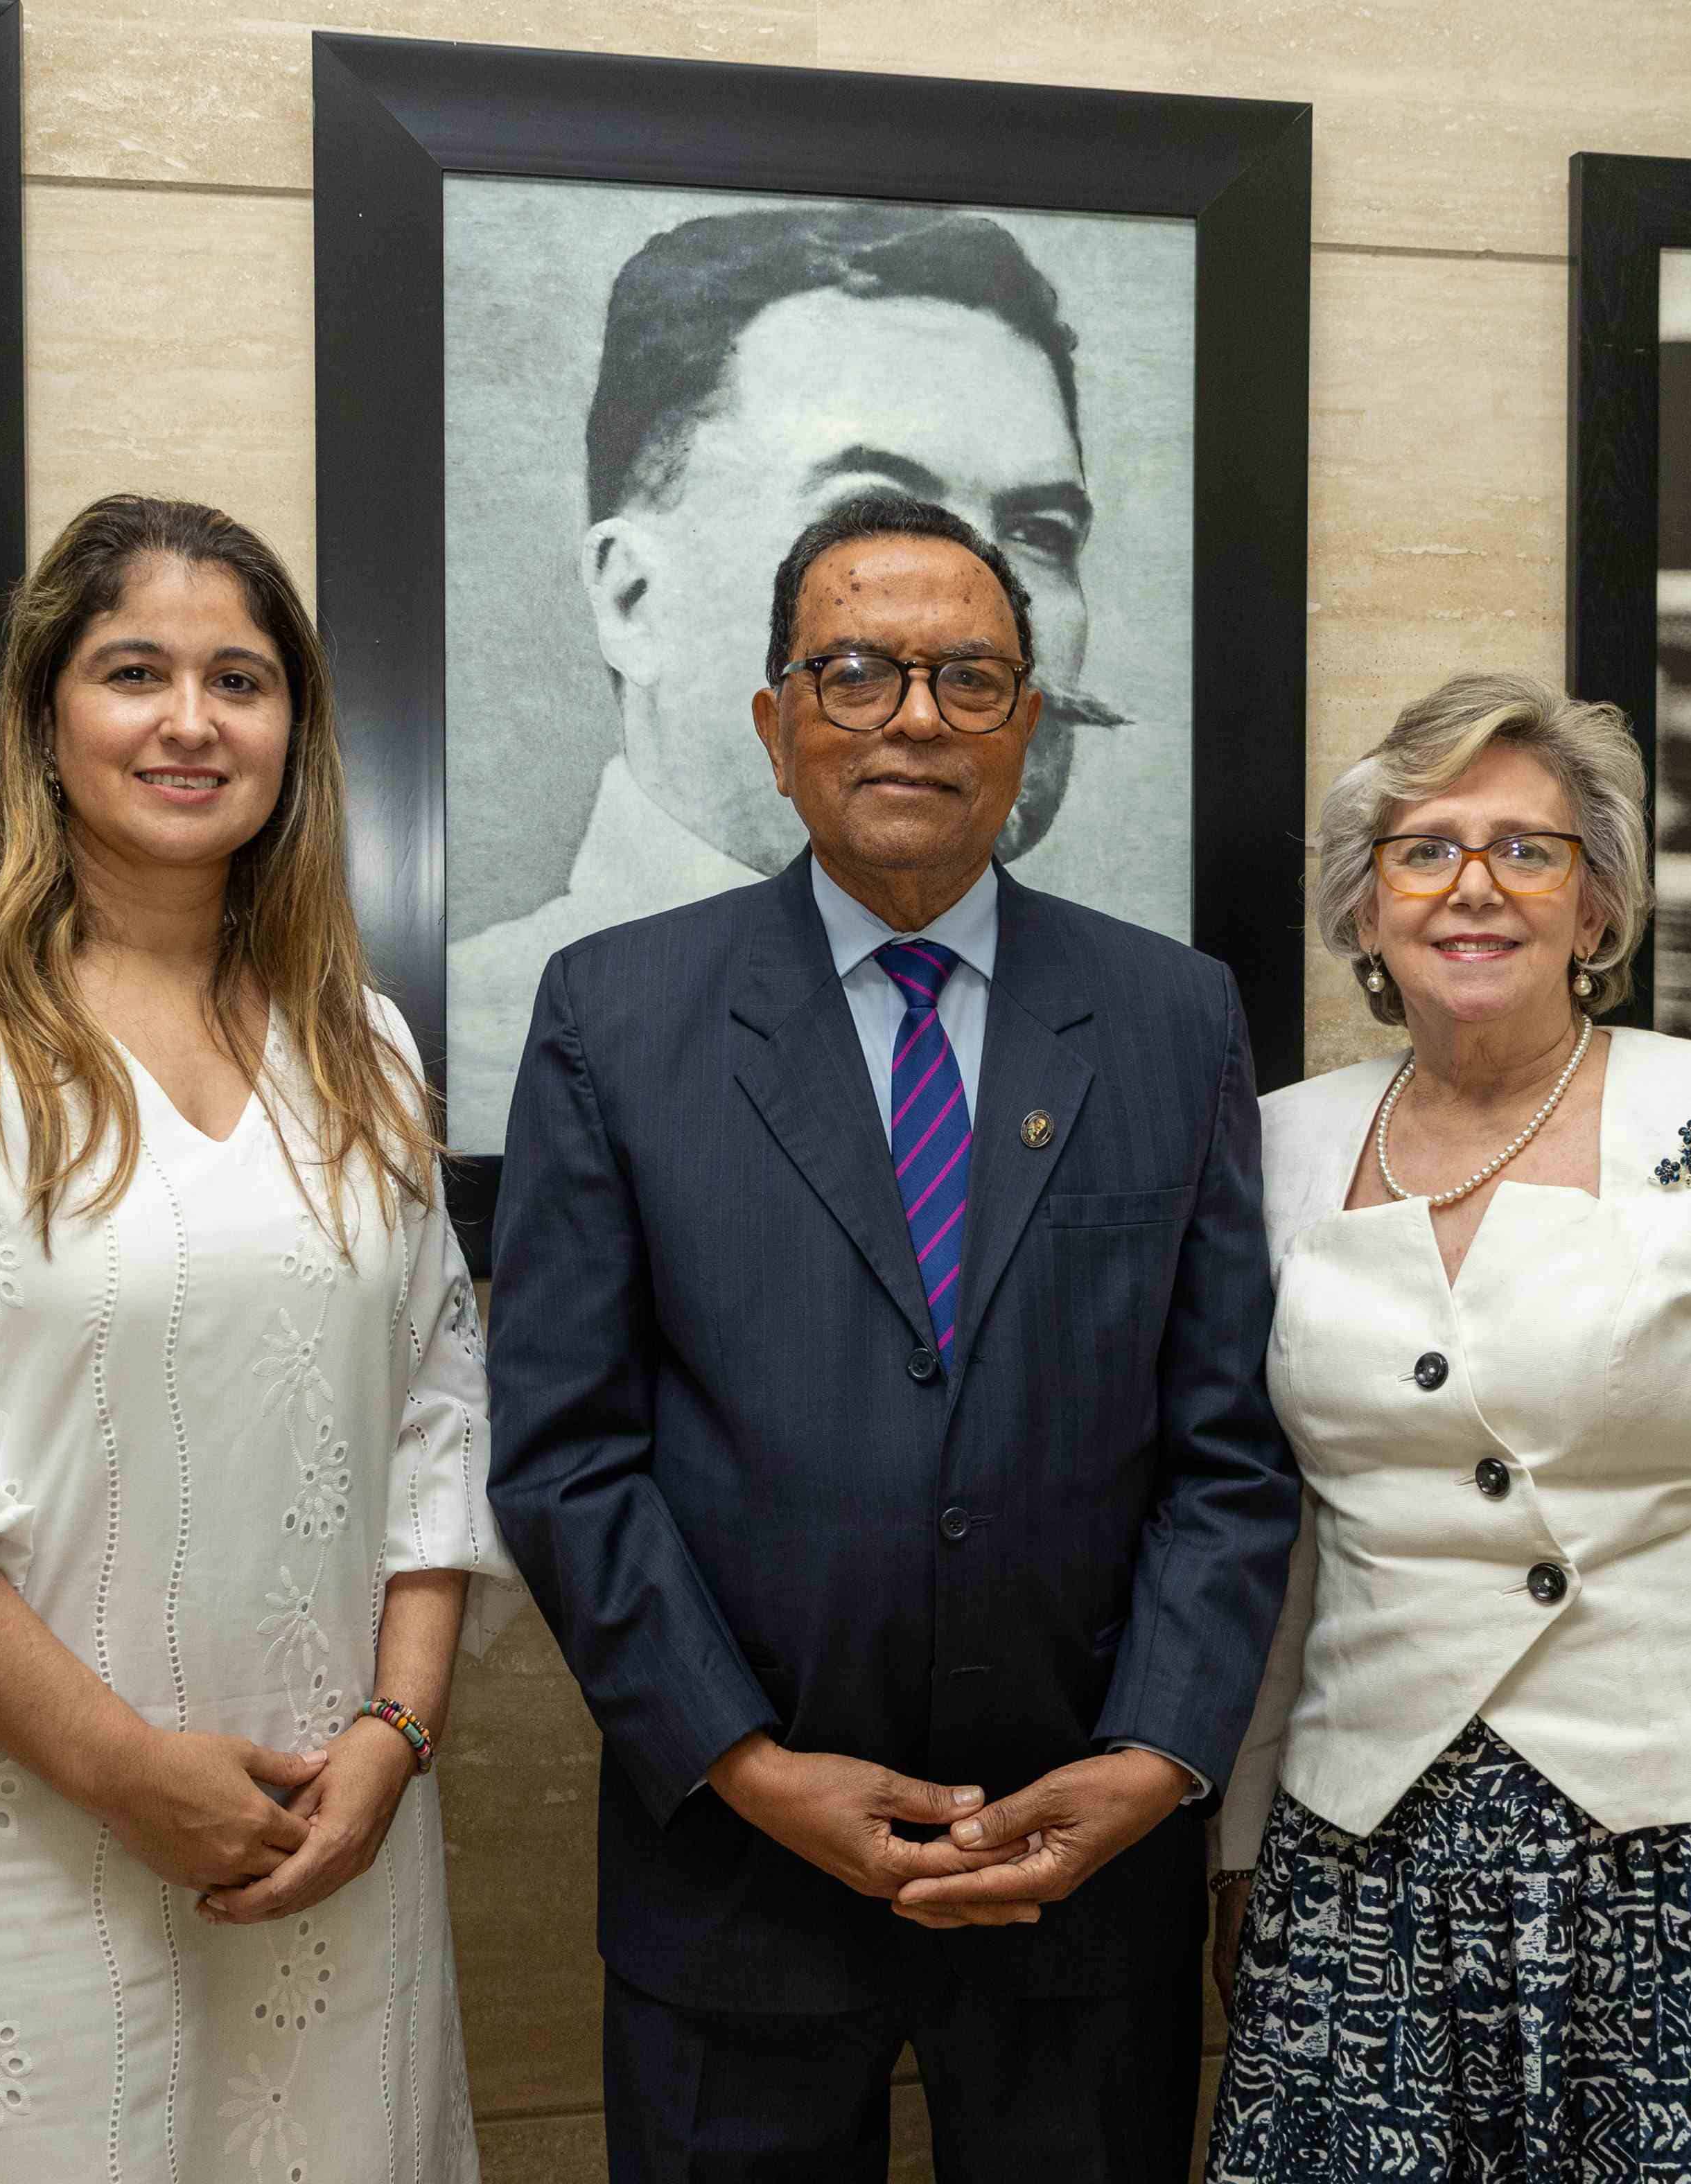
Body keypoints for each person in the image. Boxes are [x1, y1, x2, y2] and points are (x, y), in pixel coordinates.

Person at [487, 493, 1297, 2183]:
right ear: (778, 726)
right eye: (855, 672)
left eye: (969, 678)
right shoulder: (613, 1015)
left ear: (1029, 726)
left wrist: (1155, 1754)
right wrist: (744, 1761)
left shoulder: (1170, 1017)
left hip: (1082, 1870)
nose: (914, 716)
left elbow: (1228, 1451)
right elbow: (567, 1453)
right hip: (735, 1869)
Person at [0, 495, 518, 2181]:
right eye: (133, 670)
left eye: (240, 679)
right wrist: (130, 1774)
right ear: (43, 717)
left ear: (296, 733)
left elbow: (437, 1421)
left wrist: (395, 1740)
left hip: (335, 1853)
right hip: (11, 1858)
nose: (187, 720)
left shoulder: (359, 1045)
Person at [1207, 673, 1691, 2181]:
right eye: (1423, 850)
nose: (1472, 886)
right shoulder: (1276, 1145)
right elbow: (1268, 1537)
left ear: (1598, 903)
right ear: (1362, 909)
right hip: (1366, 1857)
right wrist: (1238, 1844)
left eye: (1527, 849)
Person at [444, 202, 1130, 1147]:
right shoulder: (464, 1054)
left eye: (1040, 535)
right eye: (872, 519)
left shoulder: (1151, 1026)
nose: (974, 607)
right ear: (632, 599)